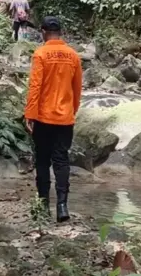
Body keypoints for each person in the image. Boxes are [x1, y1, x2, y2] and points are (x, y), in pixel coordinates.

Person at [24, 16, 82, 222]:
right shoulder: (73, 55)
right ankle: (62, 206)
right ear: (61, 33)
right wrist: (71, 111)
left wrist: (30, 114)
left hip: (43, 117)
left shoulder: (40, 54)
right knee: (61, 160)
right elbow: (77, 89)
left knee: (42, 160)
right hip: (65, 118)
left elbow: (35, 87)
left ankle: (43, 205)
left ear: (43, 32)